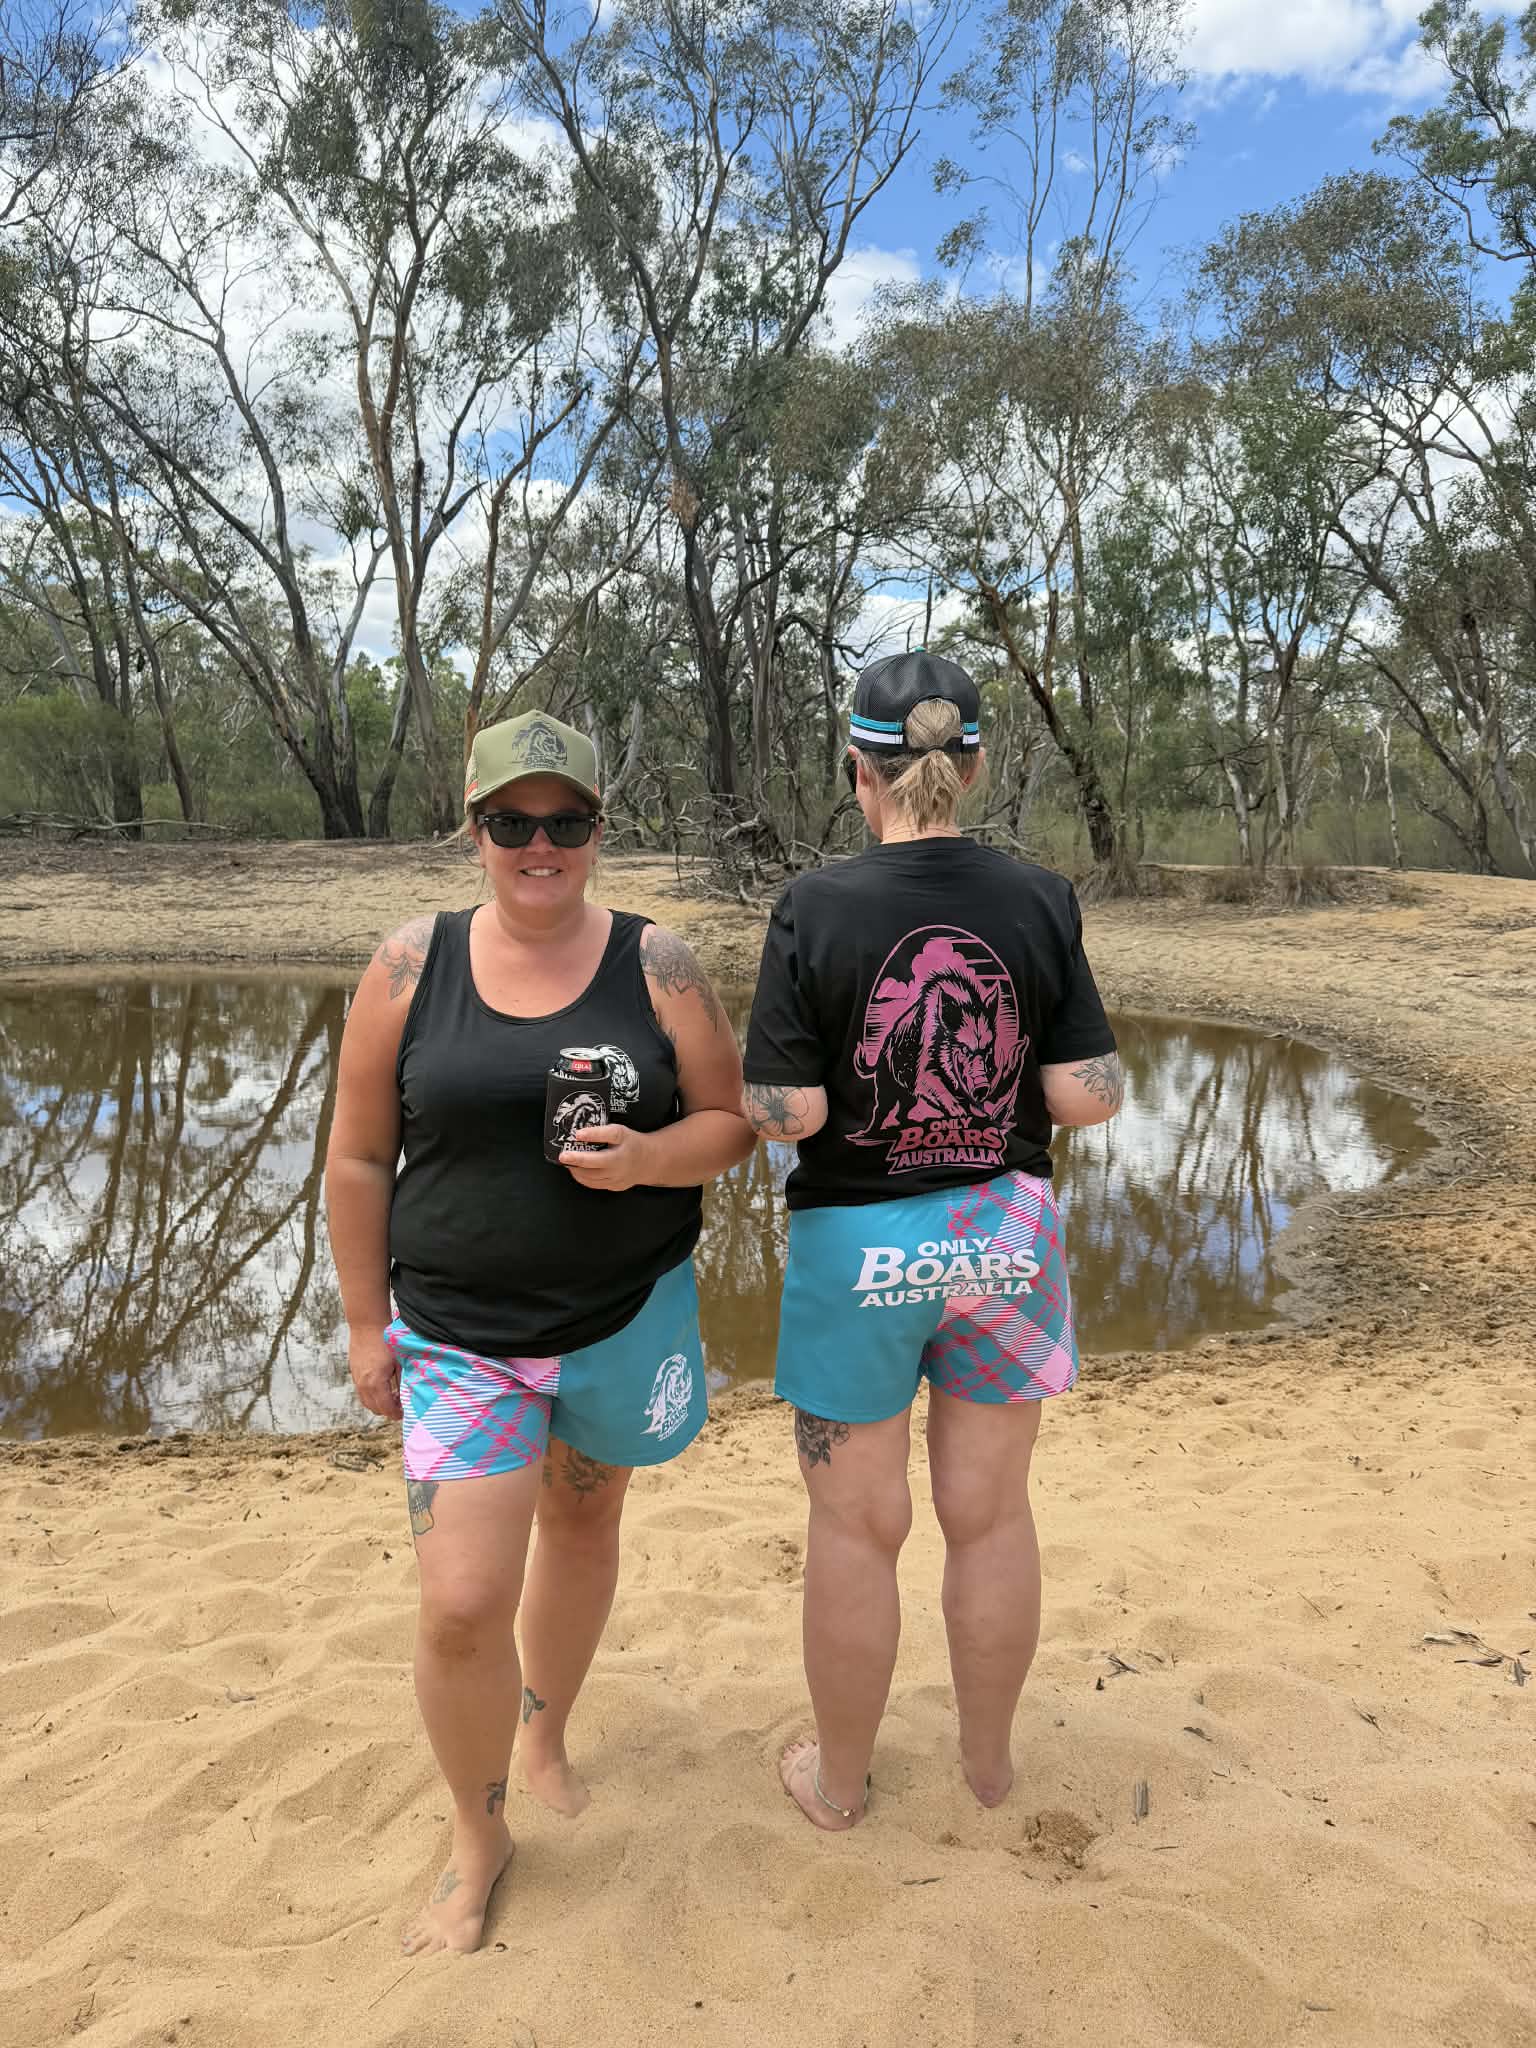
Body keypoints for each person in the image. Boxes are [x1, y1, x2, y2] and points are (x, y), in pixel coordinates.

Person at [325, 709, 753, 1954]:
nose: (540, 843)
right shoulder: (409, 965)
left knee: (583, 1520)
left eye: (566, 821)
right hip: (458, 1330)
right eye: (513, 820)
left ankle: (547, 1726)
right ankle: (479, 1830)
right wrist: (365, 1323)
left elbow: (728, 1122)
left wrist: (650, 1159)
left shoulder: (659, 963)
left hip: (621, 1314)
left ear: (599, 831)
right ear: (475, 829)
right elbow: (357, 1155)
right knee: (459, 1600)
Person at [740, 651, 1124, 1830]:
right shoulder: (1041, 897)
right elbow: (1086, 1096)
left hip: (861, 1244)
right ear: (978, 764)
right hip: (1005, 1235)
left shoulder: (814, 907)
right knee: (992, 1512)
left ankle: (842, 1782)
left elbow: (788, 1111)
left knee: (858, 1524)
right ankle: (990, 1766)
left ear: (858, 771)